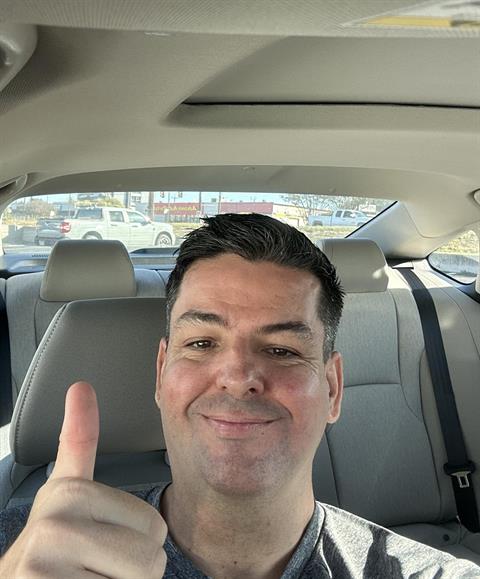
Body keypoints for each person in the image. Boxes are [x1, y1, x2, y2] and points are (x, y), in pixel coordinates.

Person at [0, 213, 479, 578]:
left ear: (332, 389)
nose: (237, 377)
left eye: (282, 350)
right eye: (201, 343)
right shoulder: (26, 550)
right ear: (161, 374)